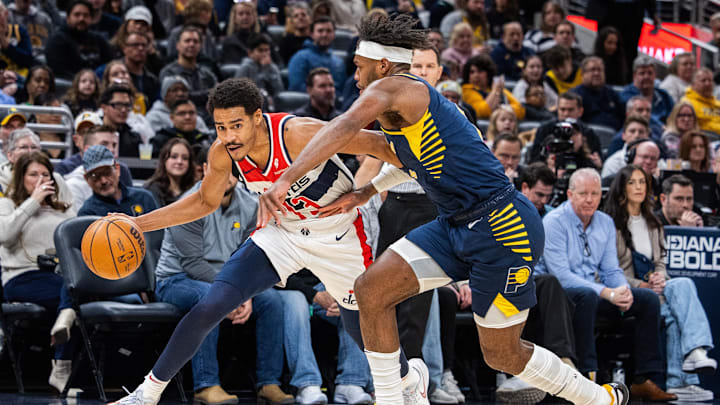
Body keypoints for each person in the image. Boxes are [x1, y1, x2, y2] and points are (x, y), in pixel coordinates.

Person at [260, 14, 630, 405]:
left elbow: (343, 127)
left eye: (358, 64)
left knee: (501, 353)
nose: (353, 72)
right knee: (371, 290)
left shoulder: (394, 89)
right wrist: (368, 188)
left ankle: (598, 398)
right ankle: (392, 397)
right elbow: (405, 156)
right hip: (454, 224)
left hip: (504, 228)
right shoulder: (409, 107)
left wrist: (286, 178)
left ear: (382, 65)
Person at [107, 77, 406, 405]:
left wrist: (370, 190)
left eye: (236, 125)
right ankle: (146, 395)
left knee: (360, 328)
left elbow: (380, 146)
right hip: (284, 233)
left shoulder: (296, 132)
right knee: (210, 304)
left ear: (257, 117)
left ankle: (407, 382)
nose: (229, 136)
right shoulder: (223, 152)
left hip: (338, 233)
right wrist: (137, 223)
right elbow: (203, 202)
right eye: (221, 127)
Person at [154, 157, 288, 405]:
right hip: (176, 280)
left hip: (229, 281)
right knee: (209, 298)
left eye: (230, 171)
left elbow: (250, 255)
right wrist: (232, 295)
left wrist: (244, 293)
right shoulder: (187, 204)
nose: (225, 176)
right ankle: (206, 385)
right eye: (218, 169)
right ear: (205, 169)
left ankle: (269, 383)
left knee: (271, 301)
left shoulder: (250, 205)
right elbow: (192, 264)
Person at [536, 168, 676, 402]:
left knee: (647, 300)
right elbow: (561, 275)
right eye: (583, 194)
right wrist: (607, 293)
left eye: (594, 193)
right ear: (570, 194)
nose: (589, 199)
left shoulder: (605, 222)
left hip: (597, 292)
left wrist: (622, 290)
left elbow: (611, 269)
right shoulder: (553, 222)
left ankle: (644, 378)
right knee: (586, 296)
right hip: (560, 298)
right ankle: (587, 375)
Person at [605, 165, 716, 402]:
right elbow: (608, 271)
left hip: (653, 289)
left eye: (642, 183)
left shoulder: (653, 223)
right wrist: (642, 285)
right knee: (675, 305)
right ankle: (686, 372)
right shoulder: (609, 224)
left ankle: (691, 361)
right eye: (632, 183)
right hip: (623, 290)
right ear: (622, 188)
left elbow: (660, 263)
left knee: (681, 287)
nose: (638, 188)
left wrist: (659, 277)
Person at [0, 151, 76, 393]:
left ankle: (62, 361)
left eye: (45, 174)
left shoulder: (63, 209)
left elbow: (77, 243)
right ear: (21, 178)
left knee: (77, 285)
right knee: (75, 292)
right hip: (21, 277)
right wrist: (33, 200)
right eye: (33, 174)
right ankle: (63, 356)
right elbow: (4, 235)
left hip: (58, 278)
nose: (41, 179)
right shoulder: (7, 204)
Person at [63, 124, 133, 209]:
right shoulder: (73, 185)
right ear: (87, 150)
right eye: (104, 144)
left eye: (114, 145)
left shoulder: (123, 170)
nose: (112, 150)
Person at [77, 144, 158, 216]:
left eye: (107, 172)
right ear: (86, 179)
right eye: (95, 176)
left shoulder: (144, 198)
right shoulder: (88, 213)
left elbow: (161, 231)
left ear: (117, 169)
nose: (103, 181)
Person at [585, 0, 660, 76]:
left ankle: (627, 81)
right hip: (607, 10)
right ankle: (600, 78)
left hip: (633, 12)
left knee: (630, 53)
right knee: (605, 47)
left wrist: (653, 12)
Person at [159, 25, 218, 120]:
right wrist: (208, 93)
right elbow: (176, 99)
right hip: (183, 119)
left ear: (200, 46)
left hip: (210, 119)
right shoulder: (168, 72)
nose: (191, 44)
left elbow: (217, 95)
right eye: (187, 41)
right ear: (177, 45)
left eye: (195, 41)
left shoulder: (207, 73)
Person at [528, 92, 603, 167]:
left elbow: (595, 161)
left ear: (580, 111)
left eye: (570, 110)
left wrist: (596, 164)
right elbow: (535, 161)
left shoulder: (589, 133)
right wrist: (548, 161)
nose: (566, 114)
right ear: (557, 110)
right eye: (562, 109)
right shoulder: (545, 130)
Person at [0, 128, 73, 205]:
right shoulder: (1, 182)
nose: (30, 152)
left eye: (34, 147)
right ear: (10, 155)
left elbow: (70, 208)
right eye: (23, 147)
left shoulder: (56, 179)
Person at [45, 0, 113, 79]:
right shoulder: (57, 41)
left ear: (91, 19)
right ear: (68, 18)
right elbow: (59, 72)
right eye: (77, 15)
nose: (81, 19)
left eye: (86, 15)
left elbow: (111, 64)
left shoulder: (99, 39)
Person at [287, 16, 345, 92]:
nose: (324, 34)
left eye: (328, 31)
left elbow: (343, 89)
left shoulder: (339, 61)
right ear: (311, 34)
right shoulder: (299, 58)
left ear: (334, 34)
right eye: (320, 31)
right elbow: (296, 87)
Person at [462, 54, 525, 120]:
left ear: (488, 73)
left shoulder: (497, 89)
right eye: (472, 72)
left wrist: (501, 109)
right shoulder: (466, 90)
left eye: (480, 71)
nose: (476, 75)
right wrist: (495, 91)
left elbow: (521, 110)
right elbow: (483, 112)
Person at [571, 56, 624, 131]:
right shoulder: (575, 95)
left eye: (600, 70)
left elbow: (623, 117)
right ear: (582, 74)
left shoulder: (612, 94)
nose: (596, 73)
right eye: (592, 70)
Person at [619, 55, 674, 126]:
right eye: (642, 73)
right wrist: (661, 126)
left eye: (650, 73)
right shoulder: (626, 95)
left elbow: (674, 116)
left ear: (655, 75)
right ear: (634, 76)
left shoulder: (664, 95)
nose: (646, 77)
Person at [147, 75, 211, 134]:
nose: (180, 93)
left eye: (184, 90)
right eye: (174, 90)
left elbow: (206, 138)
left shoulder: (194, 116)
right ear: (165, 95)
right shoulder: (154, 117)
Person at [144, 138, 196, 206]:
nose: (179, 161)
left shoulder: (195, 190)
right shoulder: (151, 190)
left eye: (185, 158)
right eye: (174, 157)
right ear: (164, 160)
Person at [100, 84, 144, 157]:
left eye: (127, 105)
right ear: (104, 108)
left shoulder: (134, 139)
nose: (123, 110)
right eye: (118, 105)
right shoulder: (91, 133)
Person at [236, 33, 284, 99]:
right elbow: (238, 92)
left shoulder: (273, 67)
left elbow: (279, 91)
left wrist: (267, 68)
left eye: (267, 50)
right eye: (260, 50)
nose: (264, 54)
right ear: (250, 53)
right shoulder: (245, 67)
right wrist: (264, 70)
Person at [118, 31, 160, 105]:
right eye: (135, 45)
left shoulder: (152, 80)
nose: (140, 48)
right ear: (124, 48)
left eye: (144, 45)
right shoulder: (115, 74)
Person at [0, 2, 35, 79]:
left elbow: (28, 61)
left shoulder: (19, 31)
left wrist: (4, 41)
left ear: (6, 14)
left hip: (19, 77)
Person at [680, 68, 720, 135]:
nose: (707, 84)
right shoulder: (687, 104)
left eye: (710, 80)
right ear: (693, 84)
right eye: (703, 81)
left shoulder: (717, 104)